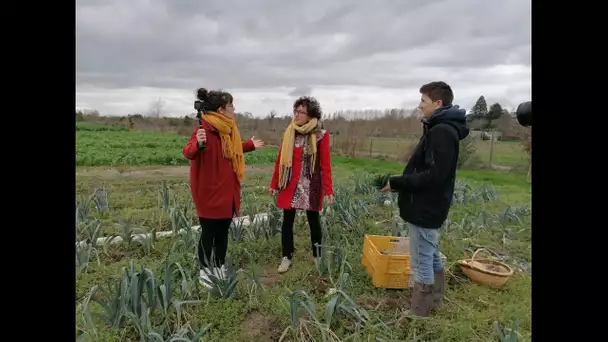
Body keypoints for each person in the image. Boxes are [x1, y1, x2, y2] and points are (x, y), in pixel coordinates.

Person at [380, 81, 469, 317]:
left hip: (426, 205)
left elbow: (434, 176)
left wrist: (398, 182)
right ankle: (436, 300)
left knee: (421, 261)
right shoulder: (440, 127)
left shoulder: (442, 131)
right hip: (430, 204)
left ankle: (419, 312)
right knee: (429, 253)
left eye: (423, 101)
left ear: (438, 103)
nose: (420, 106)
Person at [182, 88, 265, 287]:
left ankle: (218, 267)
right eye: (231, 106)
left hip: (228, 191)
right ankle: (204, 272)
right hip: (209, 192)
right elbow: (188, 151)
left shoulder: (228, 130)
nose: (234, 109)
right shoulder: (204, 129)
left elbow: (231, 149)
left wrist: (249, 145)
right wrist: (198, 144)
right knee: (209, 233)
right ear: (221, 110)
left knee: (223, 233)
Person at [269, 96, 334, 273]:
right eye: (295, 111)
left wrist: (328, 188)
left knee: (313, 221)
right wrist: (275, 183)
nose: (296, 115)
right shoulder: (290, 132)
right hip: (290, 183)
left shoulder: (321, 135)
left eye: (301, 112)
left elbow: (325, 164)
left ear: (311, 115)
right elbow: (280, 160)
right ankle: (286, 256)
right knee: (287, 222)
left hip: (311, 185)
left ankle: (317, 255)